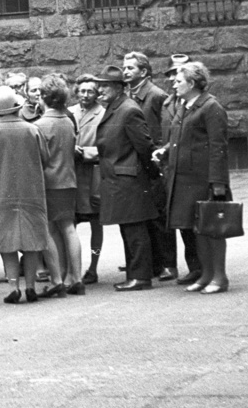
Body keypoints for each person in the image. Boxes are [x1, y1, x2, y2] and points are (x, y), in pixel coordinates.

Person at [160, 61, 232, 294]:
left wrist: (218, 183)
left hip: (204, 180)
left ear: (192, 83)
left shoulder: (211, 107)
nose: (174, 84)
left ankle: (219, 277)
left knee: (212, 228)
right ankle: (206, 274)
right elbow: (182, 139)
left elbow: (218, 147)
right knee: (196, 228)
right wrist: (166, 151)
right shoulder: (185, 106)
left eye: (178, 81)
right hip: (185, 180)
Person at [0, 86, 51, 303]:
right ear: (17, 107)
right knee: (31, 241)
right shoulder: (32, 130)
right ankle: (30, 286)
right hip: (32, 192)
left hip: (1, 192)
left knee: (6, 241)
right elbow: (46, 158)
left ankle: (13, 287)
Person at [94, 64, 157, 291]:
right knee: (129, 230)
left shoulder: (128, 110)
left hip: (129, 180)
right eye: (98, 86)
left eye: (104, 87)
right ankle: (135, 274)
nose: (99, 91)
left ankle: (140, 276)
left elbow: (145, 146)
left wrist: (150, 174)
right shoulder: (116, 107)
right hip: (120, 179)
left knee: (135, 231)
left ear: (118, 88)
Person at [124, 50, 177, 282]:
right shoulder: (130, 95)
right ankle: (154, 262)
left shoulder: (156, 95)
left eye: (130, 68)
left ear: (144, 72)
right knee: (146, 213)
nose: (126, 71)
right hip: (139, 161)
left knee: (160, 214)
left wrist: (160, 154)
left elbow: (166, 127)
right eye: (125, 68)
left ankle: (169, 264)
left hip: (155, 160)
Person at [35, 74, 84, 295]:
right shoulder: (68, 121)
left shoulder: (39, 125)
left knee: (49, 230)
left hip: (48, 182)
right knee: (69, 228)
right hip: (68, 179)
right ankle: (75, 277)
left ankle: (59, 278)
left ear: (44, 97)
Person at [161, 53, 201, 285]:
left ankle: (197, 266)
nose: (174, 78)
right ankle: (178, 265)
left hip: (188, 169)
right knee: (176, 219)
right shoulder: (167, 102)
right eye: (171, 74)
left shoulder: (196, 103)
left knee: (191, 221)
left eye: (179, 73)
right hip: (170, 168)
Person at [69, 73, 106, 284]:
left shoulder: (103, 114)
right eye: (82, 90)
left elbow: (108, 147)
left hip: (93, 175)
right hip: (73, 174)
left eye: (90, 91)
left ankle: (93, 267)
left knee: (95, 223)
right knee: (70, 223)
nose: (85, 95)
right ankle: (73, 269)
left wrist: (85, 152)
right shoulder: (70, 112)